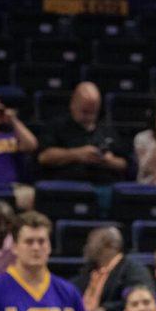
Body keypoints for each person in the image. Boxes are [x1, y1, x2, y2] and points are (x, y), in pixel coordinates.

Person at [36, 82, 129, 215]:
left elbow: (124, 163)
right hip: (67, 187)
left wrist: (107, 161)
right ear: (73, 103)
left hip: (103, 188)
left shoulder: (107, 130)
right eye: (85, 111)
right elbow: (44, 157)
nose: (89, 115)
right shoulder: (57, 126)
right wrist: (77, 154)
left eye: (93, 111)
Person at [74, 226, 155, 311]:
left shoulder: (131, 269)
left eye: (93, 242)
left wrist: (103, 310)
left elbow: (140, 299)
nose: (88, 246)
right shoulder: (89, 271)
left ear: (111, 245)